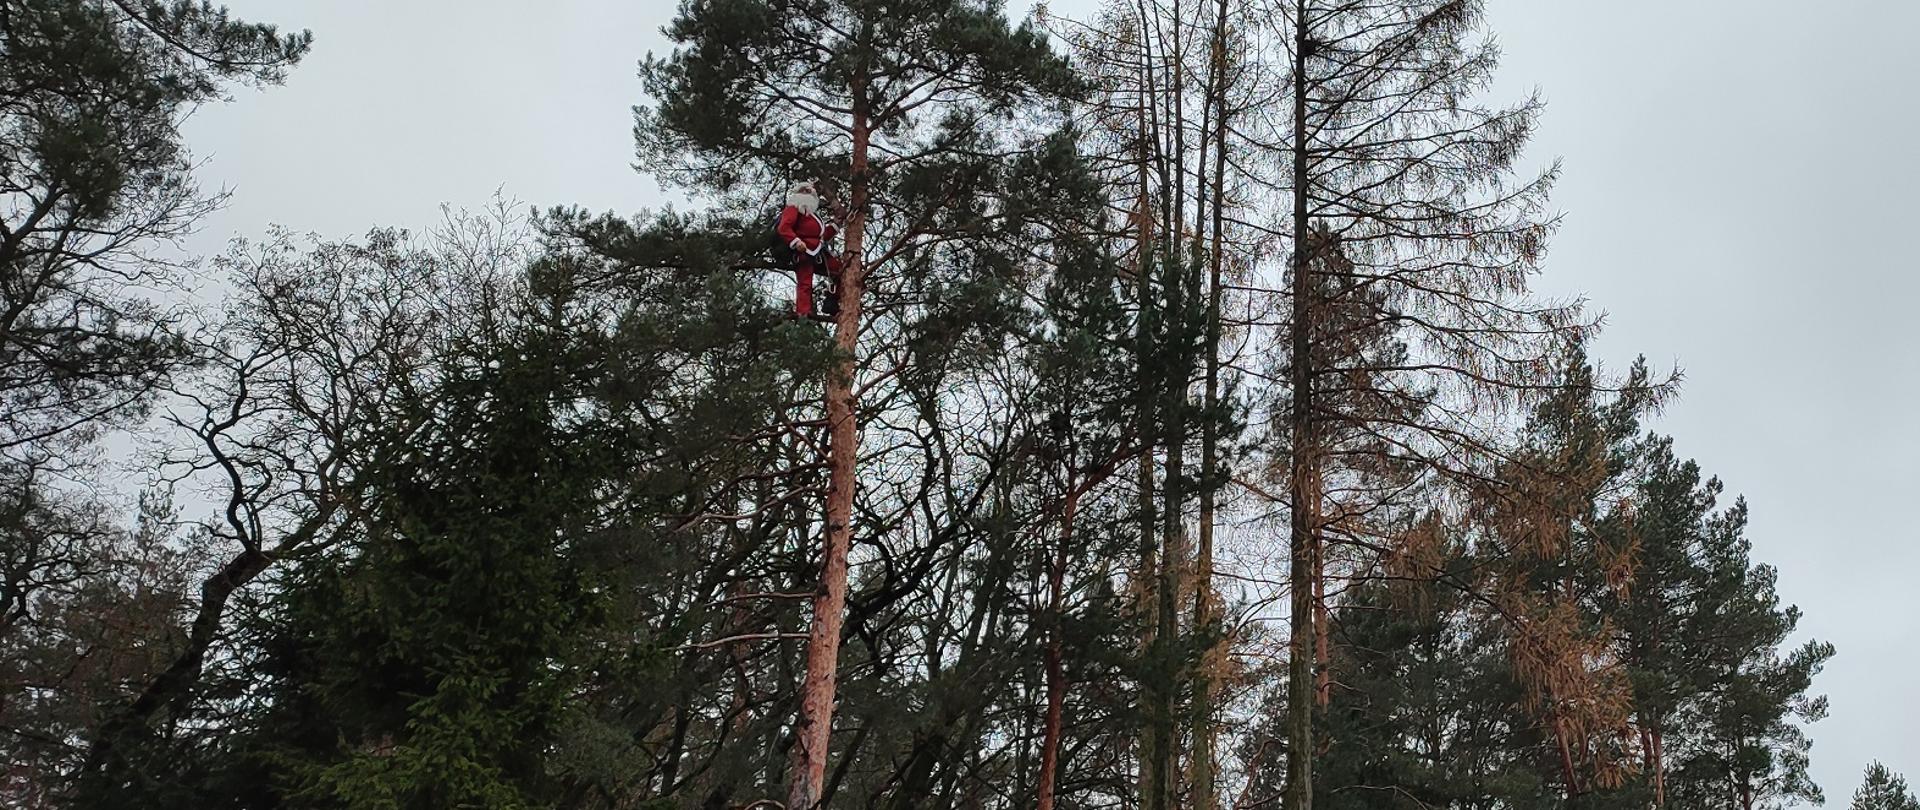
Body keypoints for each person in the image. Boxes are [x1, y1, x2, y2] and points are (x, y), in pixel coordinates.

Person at [776, 181, 841, 321]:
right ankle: (803, 312)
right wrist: (796, 241)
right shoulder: (793, 209)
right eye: (804, 191)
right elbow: (784, 228)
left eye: (810, 192)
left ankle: (834, 302)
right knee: (805, 281)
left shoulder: (813, 216)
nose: (807, 194)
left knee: (840, 270)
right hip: (804, 251)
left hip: (819, 251)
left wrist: (836, 224)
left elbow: (821, 236)